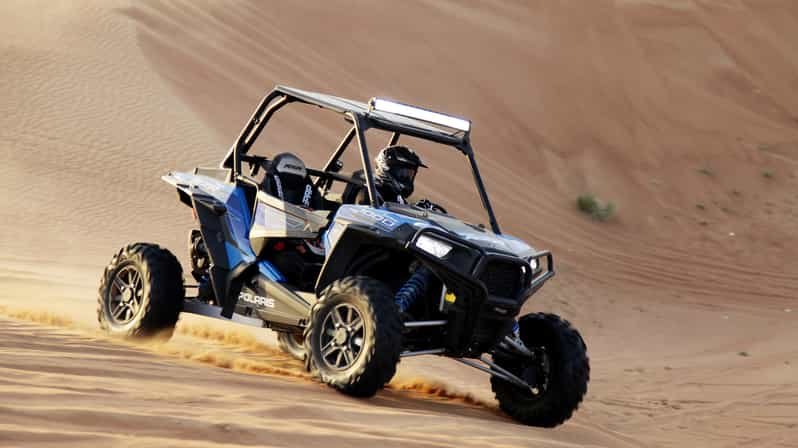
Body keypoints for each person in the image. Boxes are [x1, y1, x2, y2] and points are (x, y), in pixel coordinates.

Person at [354, 145, 427, 205]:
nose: (407, 178)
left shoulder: (395, 196)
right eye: (403, 173)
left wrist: (418, 209)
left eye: (410, 174)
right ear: (386, 169)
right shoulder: (368, 193)